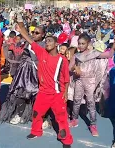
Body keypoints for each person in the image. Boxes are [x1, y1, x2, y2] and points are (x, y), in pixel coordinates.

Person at [15, 16, 73, 148]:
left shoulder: (62, 60)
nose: (47, 43)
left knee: (61, 118)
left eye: (49, 41)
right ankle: (36, 132)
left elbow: (66, 78)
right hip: (43, 93)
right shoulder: (41, 53)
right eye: (46, 41)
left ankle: (66, 140)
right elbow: (27, 37)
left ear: (57, 44)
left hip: (57, 94)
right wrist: (19, 21)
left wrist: (65, 92)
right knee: (36, 113)